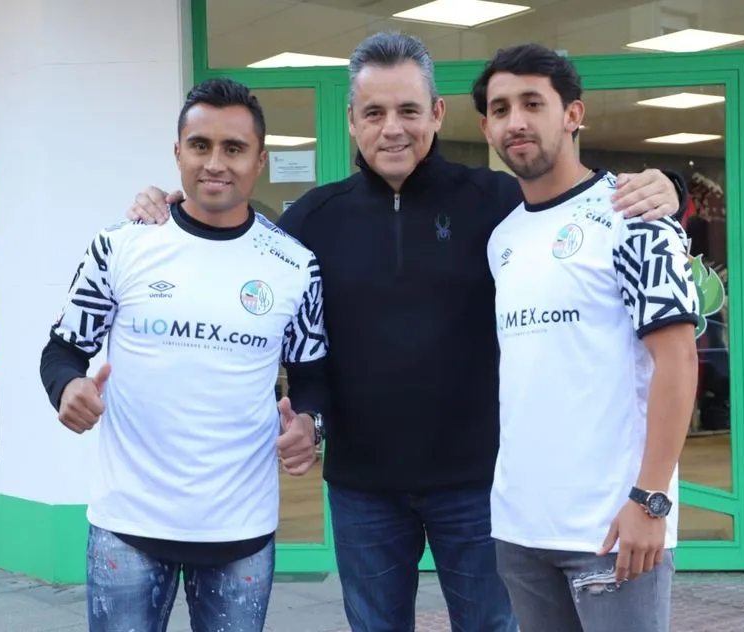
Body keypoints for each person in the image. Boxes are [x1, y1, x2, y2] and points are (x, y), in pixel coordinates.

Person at [126, 33, 686, 632]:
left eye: (409, 111)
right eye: (374, 113)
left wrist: (670, 186)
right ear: (352, 121)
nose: (392, 129)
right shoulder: (310, 219)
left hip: (479, 487)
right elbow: (233, 256)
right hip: (363, 490)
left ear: (437, 114)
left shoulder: (499, 203)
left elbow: (574, 199)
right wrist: (167, 208)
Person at [39, 78, 328, 632]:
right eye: (200, 145)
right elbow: (63, 349)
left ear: (260, 161)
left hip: (241, 530)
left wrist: (310, 424)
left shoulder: (294, 266)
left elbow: (313, 376)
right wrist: (67, 387)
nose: (215, 163)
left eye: (234, 148)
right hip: (127, 525)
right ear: (178, 153)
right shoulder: (121, 245)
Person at [476, 44, 699, 631]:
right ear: (486, 129)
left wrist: (651, 499)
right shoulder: (502, 239)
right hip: (521, 529)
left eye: (533, 103)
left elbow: (678, 360)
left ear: (573, 114)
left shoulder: (636, 218)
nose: (516, 121)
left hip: (614, 528)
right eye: (501, 109)